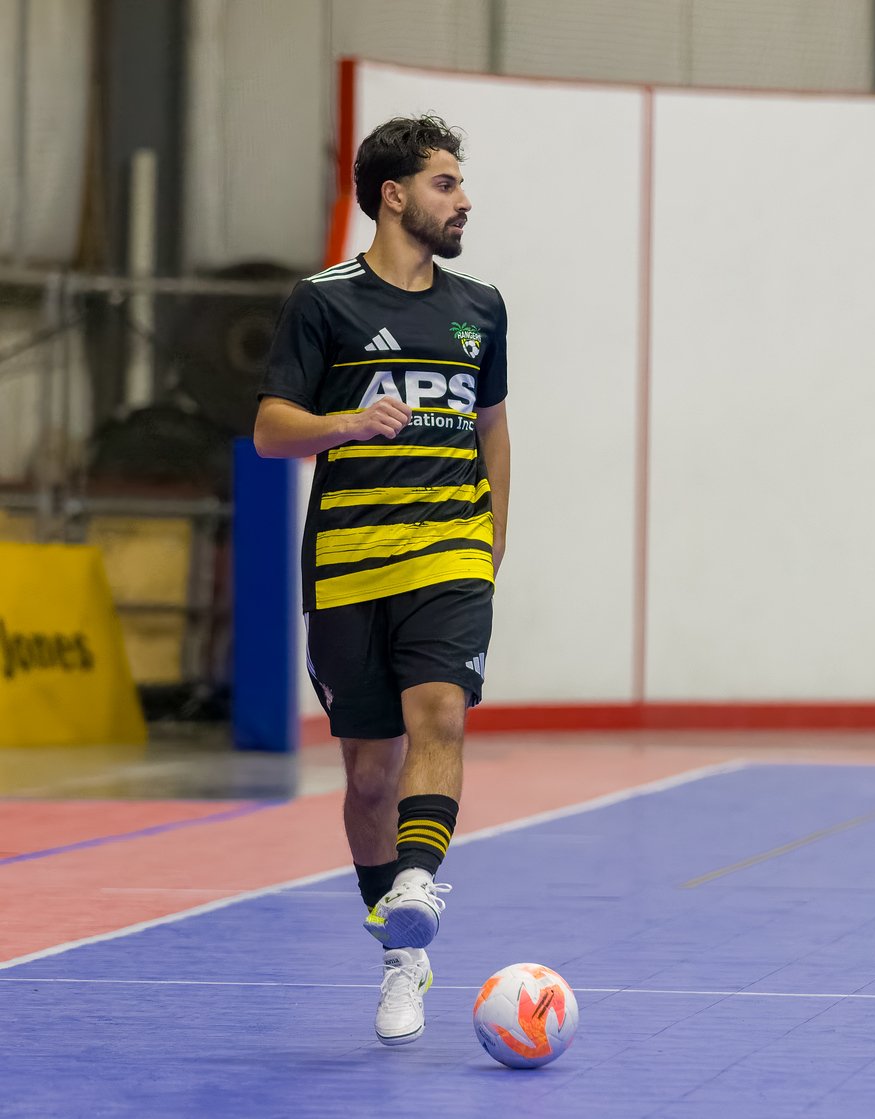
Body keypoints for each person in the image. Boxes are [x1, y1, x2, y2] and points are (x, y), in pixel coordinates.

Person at [254, 115, 510, 1046]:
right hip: (348, 563)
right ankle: (398, 948)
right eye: (446, 183)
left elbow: (492, 429)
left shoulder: (480, 305)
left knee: (437, 714)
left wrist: (492, 545)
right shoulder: (322, 302)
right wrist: (345, 425)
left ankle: (416, 886)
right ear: (394, 195)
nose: (464, 199)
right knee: (368, 776)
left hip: (448, 551)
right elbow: (270, 430)